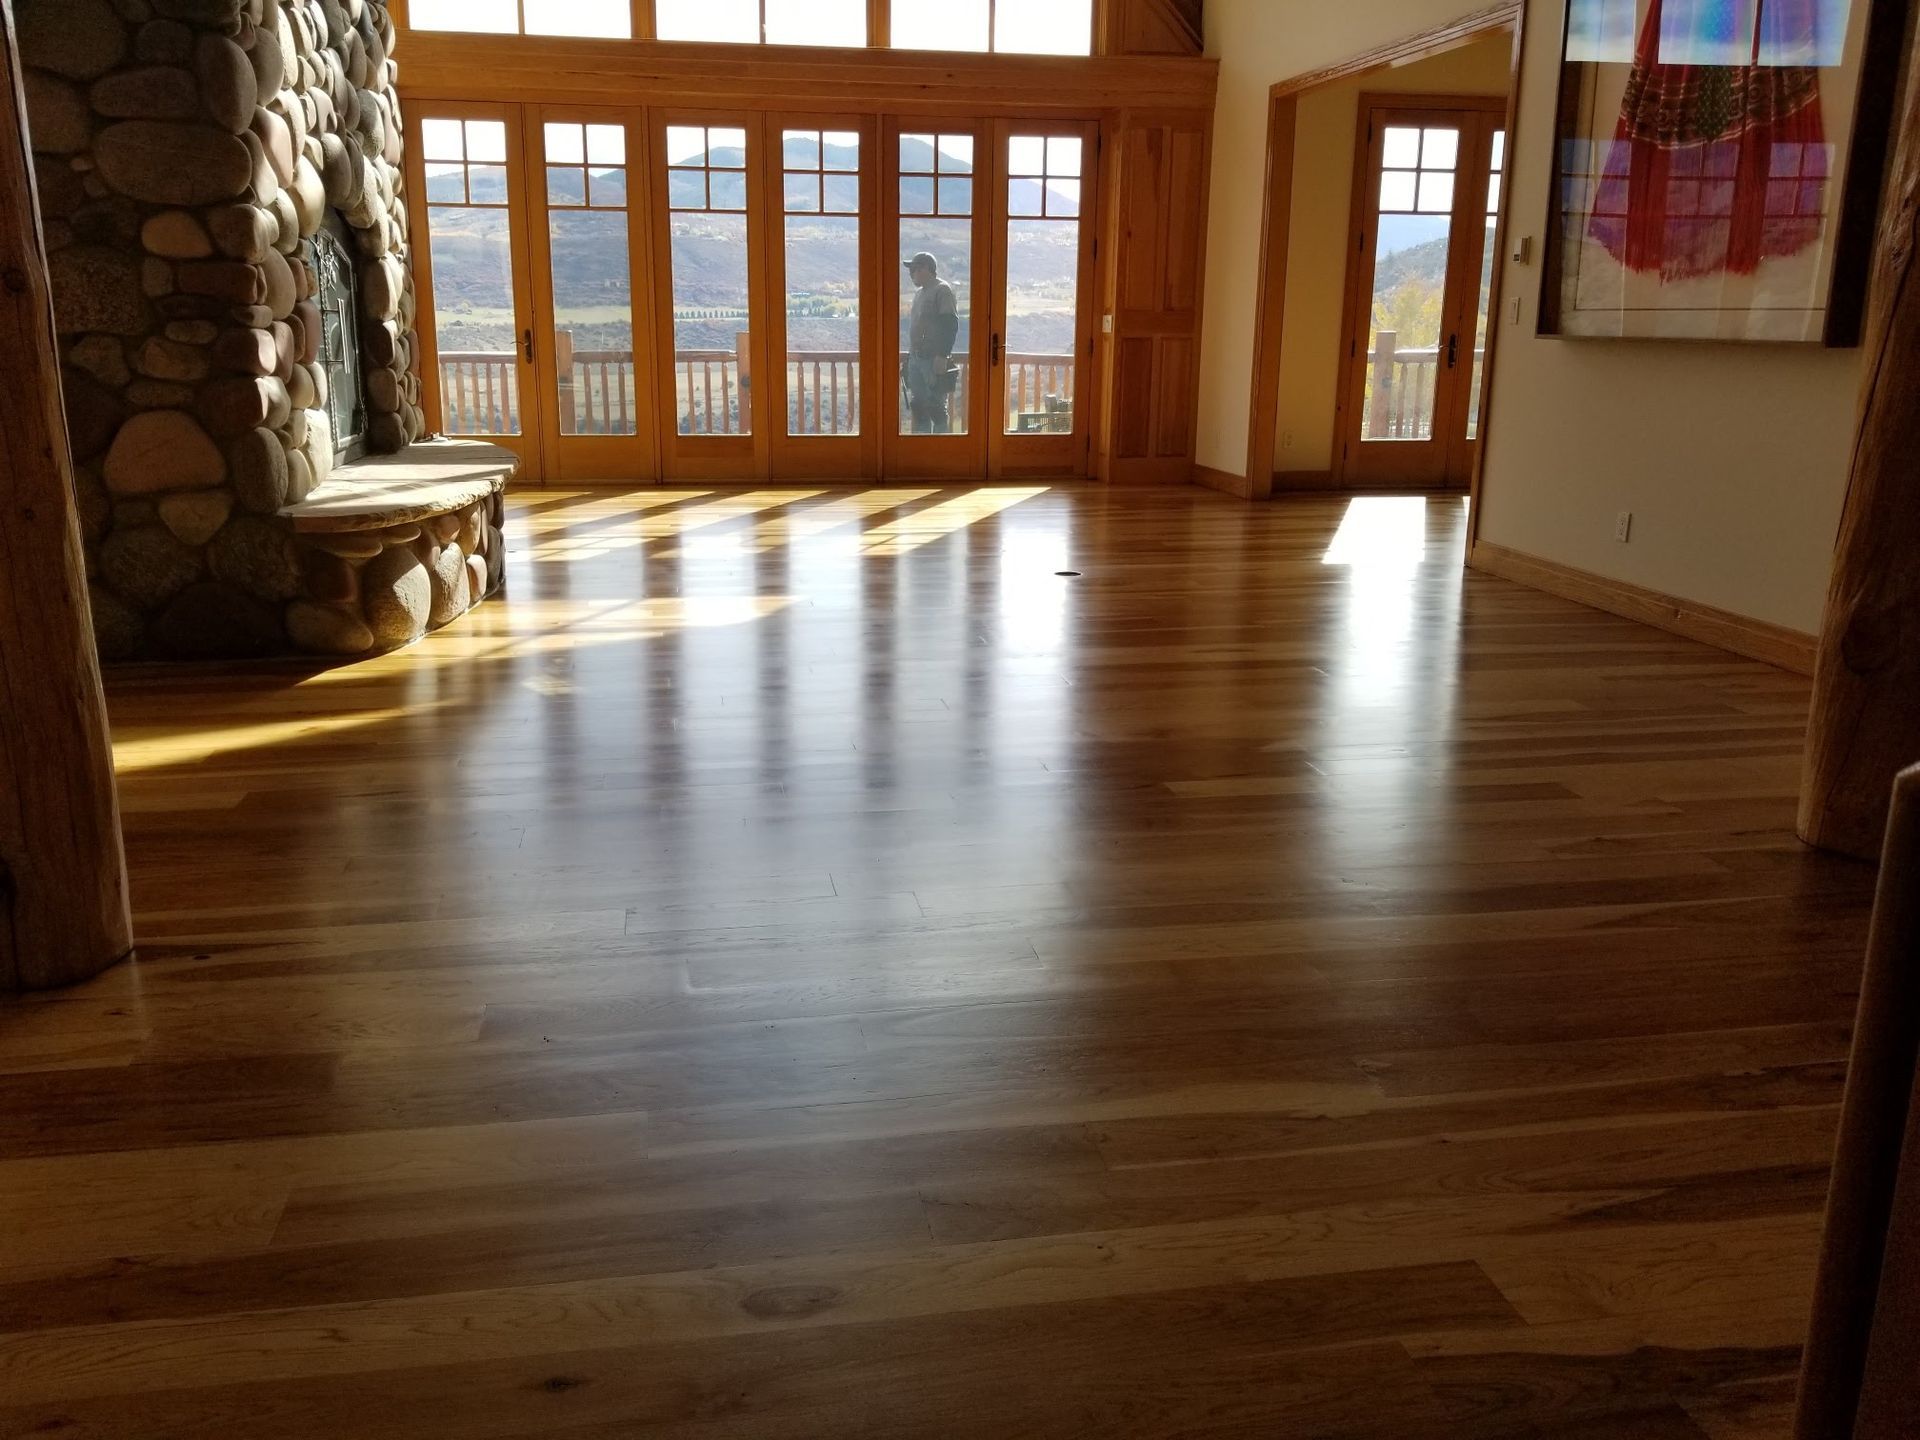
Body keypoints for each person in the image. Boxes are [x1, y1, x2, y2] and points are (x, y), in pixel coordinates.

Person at [903, 252, 959, 433]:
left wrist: (942, 356)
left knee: (936, 406)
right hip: (917, 359)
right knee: (919, 406)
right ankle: (922, 450)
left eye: (914, 269)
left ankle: (940, 450)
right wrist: (910, 357)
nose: (911, 274)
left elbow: (950, 324)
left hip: (933, 359)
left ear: (926, 268)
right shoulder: (920, 293)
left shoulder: (942, 290)